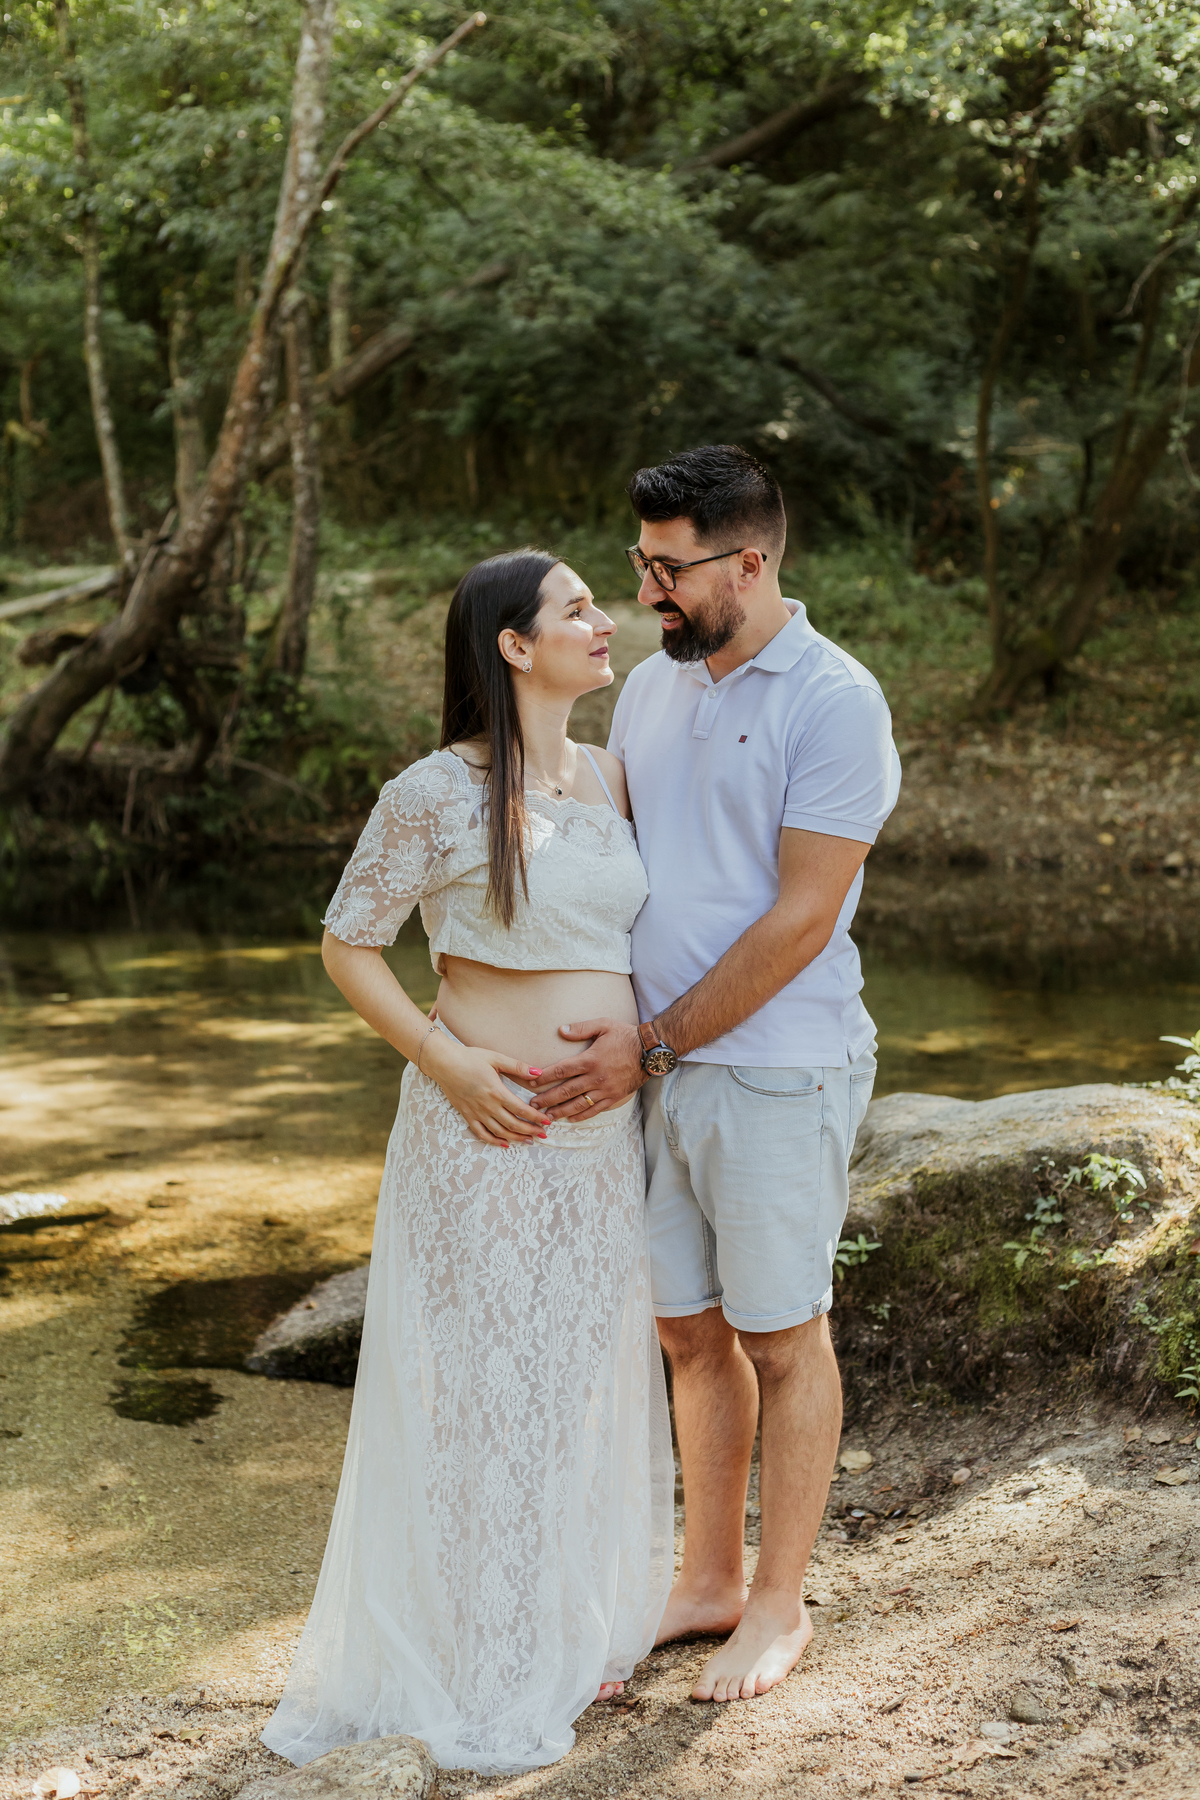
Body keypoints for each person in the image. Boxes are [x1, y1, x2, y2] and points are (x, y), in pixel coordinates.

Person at [263, 550, 673, 1775]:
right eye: (579, 608)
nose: (607, 623)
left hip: (597, 1136)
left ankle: (559, 1624)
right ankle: (479, 1660)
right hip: (484, 1136)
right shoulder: (433, 794)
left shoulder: (608, 775)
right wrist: (444, 1060)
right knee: (485, 1393)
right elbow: (349, 946)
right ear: (512, 645)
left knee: (568, 1388)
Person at [532, 445, 901, 1706]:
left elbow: (803, 918)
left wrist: (659, 1039)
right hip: (660, 1071)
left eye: (668, 569)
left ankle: (781, 1604)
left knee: (783, 1338)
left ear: (750, 561)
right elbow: (601, 863)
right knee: (687, 1331)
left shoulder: (836, 701)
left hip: (775, 1072)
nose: (647, 596)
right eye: (640, 567)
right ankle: (707, 1578)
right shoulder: (653, 690)